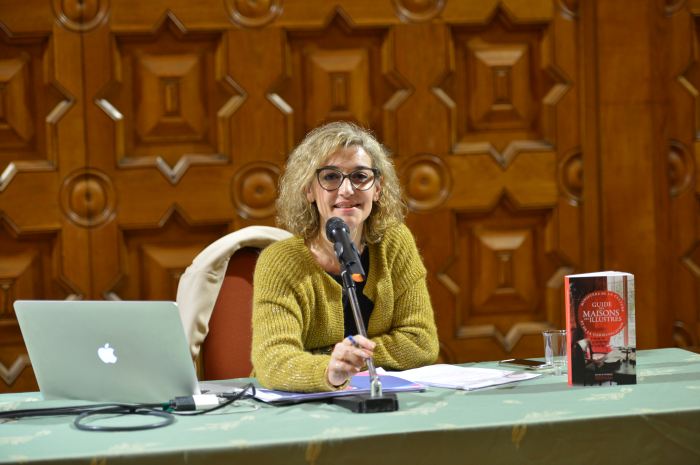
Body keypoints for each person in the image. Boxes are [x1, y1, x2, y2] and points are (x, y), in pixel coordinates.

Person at [251, 121, 439, 392]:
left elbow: (421, 343)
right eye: (330, 177)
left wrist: (343, 358)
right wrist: (330, 369)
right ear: (308, 190)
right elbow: (273, 361)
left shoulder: (395, 243)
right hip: (298, 406)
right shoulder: (279, 262)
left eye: (360, 176)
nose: (347, 190)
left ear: (377, 188)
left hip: (383, 398)